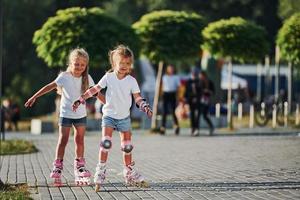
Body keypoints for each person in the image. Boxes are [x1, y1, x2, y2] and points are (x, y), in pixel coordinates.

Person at [72, 45, 152, 191]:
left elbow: (137, 97)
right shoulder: (108, 77)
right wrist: (81, 99)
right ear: (114, 63)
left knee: (127, 147)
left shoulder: (131, 81)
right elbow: (95, 89)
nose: (124, 66)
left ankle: (129, 173)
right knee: (106, 143)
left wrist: (144, 106)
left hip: (124, 118)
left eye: (128, 64)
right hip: (108, 116)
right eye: (121, 63)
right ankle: (101, 170)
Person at [25, 48, 100, 185]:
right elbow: (49, 86)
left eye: (82, 65)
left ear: (86, 66)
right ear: (70, 63)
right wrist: (34, 96)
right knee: (63, 139)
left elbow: (96, 93)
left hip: (80, 114)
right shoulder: (64, 77)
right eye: (76, 64)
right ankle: (58, 166)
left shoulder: (87, 78)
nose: (79, 67)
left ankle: (80, 167)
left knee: (79, 140)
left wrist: (108, 104)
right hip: (65, 114)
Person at [160, 65, 180, 135]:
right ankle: (163, 127)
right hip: (166, 94)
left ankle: (176, 126)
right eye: (169, 69)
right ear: (167, 70)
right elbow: (163, 87)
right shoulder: (164, 77)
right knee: (164, 111)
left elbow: (178, 88)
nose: (170, 70)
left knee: (172, 111)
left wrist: (177, 97)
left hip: (173, 94)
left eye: (172, 69)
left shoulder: (176, 77)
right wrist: (161, 96)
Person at [185, 67, 202, 136]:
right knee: (191, 114)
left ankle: (197, 128)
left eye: (195, 73)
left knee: (197, 114)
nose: (194, 74)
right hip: (190, 100)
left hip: (198, 100)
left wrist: (196, 97)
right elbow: (187, 92)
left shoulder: (199, 81)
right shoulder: (188, 81)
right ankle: (192, 128)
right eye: (193, 72)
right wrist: (187, 99)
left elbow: (201, 91)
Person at [199, 71, 215, 136]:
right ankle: (196, 129)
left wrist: (208, 91)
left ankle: (211, 127)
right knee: (198, 115)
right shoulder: (199, 82)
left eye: (201, 76)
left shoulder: (210, 82)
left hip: (207, 100)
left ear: (204, 76)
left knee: (205, 115)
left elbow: (213, 92)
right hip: (199, 100)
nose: (200, 77)